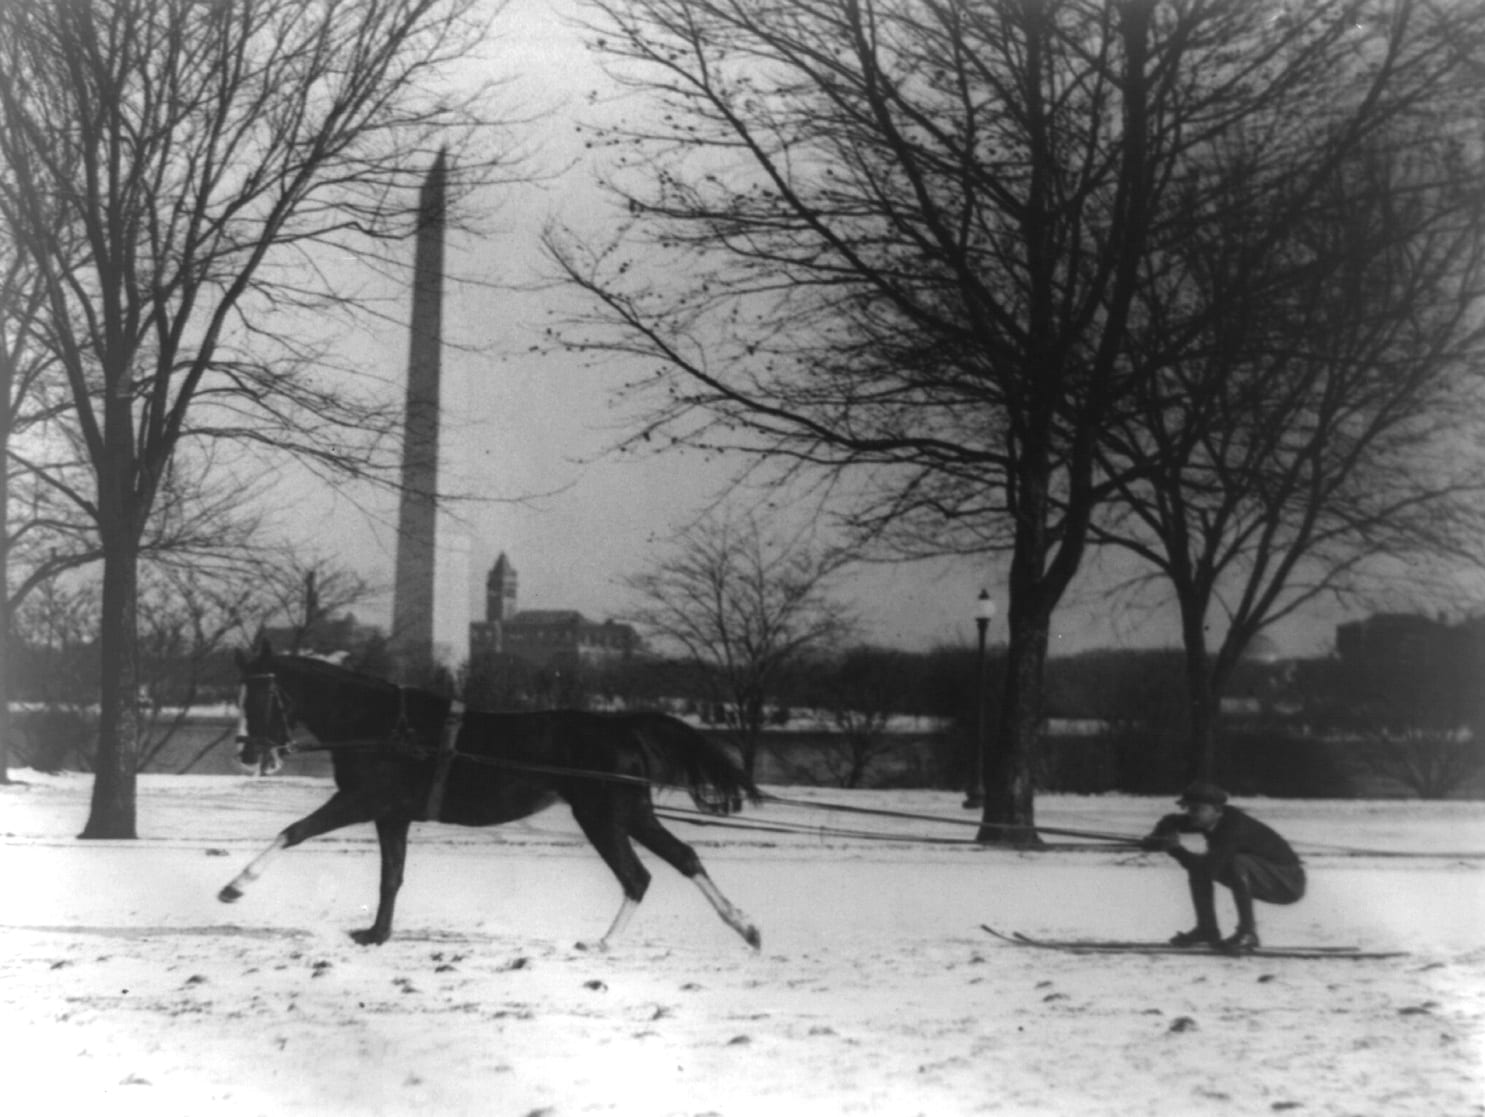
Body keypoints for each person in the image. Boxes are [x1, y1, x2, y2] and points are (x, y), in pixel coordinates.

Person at [1141, 781, 1306, 953]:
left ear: (1218, 811)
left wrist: (1175, 850)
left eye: (1197, 809)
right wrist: (1157, 837)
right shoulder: (1212, 818)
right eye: (1189, 809)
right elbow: (1170, 820)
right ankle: (1207, 929)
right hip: (1268, 875)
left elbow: (1207, 869)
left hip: (1288, 883)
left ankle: (1248, 933)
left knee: (1234, 862)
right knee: (1207, 865)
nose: (1191, 814)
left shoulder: (1232, 829)